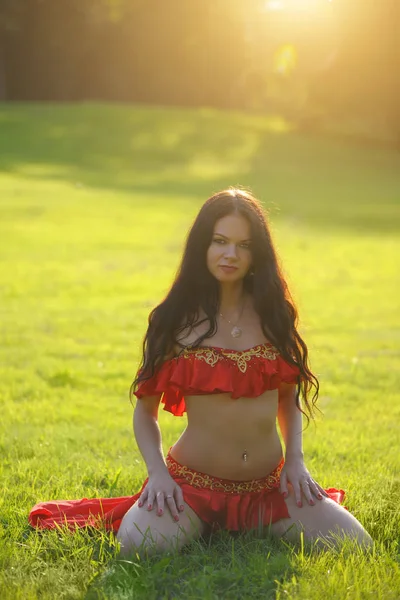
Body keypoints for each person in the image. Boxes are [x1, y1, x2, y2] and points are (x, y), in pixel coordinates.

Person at [28, 188, 371, 554]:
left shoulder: (274, 316)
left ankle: (254, 521)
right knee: (137, 547)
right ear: (202, 247)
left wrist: (296, 463)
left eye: (243, 244)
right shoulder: (174, 320)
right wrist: (158, 475)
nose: (230, 254)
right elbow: (145, 413)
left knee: (357, 546)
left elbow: (288, 400)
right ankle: (199, 520)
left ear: (257, 253)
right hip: (191, 488)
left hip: (270, 487)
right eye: (220, 241)